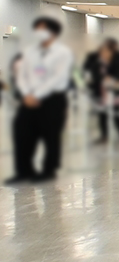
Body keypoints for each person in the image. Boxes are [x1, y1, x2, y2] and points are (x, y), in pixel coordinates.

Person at [7, 17, 73, 184]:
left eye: (42, 29)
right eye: (37, 29)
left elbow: (58, 78)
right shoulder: (30, 51)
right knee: (22, 133)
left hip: (52, 99)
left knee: (50, 135)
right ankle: (23, 171)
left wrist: (37, 95)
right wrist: (27, 94)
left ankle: (49, 170)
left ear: (53, 32)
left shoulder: (62, 52)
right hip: (28, 98)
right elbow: (21, 75)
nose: (38, 32)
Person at [83, 38, 119, 144]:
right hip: (101, 93)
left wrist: (114, 80)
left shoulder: (117, 63)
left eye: (107, 52)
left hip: (115, 93)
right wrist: (100, 80)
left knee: (116, 114)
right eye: (102, 52)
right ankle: (104, 136)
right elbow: (93, 77)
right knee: (103, 115)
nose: (104, 54)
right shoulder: (96, 64)